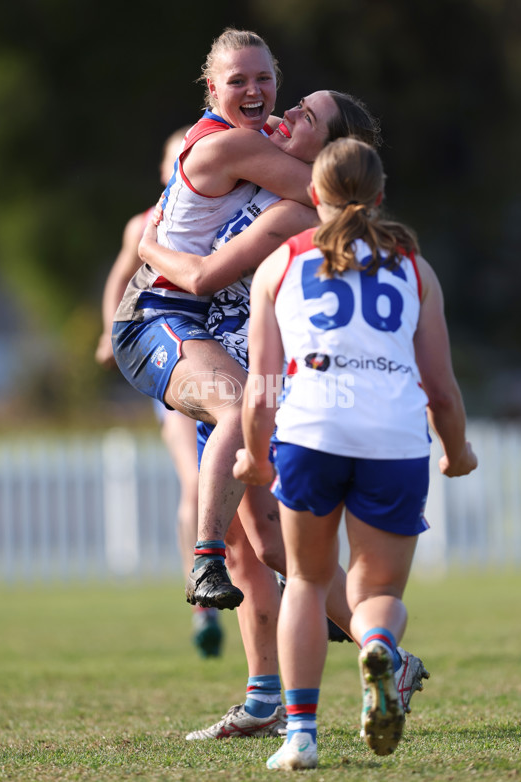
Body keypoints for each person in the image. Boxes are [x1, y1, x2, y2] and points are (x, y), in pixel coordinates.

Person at [139, 95, 429, 740]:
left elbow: (207, 274)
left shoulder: (296, 212)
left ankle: (331, 684)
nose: (288, 111)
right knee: (261, 549)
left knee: (279, 556)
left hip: (266, 382)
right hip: (244, 366)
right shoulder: (266, 178)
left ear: (325, 156)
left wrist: (149, 248)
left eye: (305, 113)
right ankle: (284, 690)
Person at [234, 137, 478, 769]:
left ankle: (300, 737)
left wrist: (257, 457)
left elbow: (261, 386)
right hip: (392, 440)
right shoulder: (414, 268)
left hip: (310, 433)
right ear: (380, 193)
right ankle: (376, 644)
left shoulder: (278, 266)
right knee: (376, 594)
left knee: (310, 584)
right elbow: (442, 390)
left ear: (312, 193)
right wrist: (457, 453)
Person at [113, 28, 321, 612]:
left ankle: (377, 646)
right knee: (239, 402)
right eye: (238, 81)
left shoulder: (260, 140)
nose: (255, 92)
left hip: (201, 322)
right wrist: (334, 158)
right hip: (155, 315)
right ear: (212, 89)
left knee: (271, 541)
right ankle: (204, 562)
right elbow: (331, 191)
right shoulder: (230, 146)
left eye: (265, 79)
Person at [95, 127, 223, 658]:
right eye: (176, 161)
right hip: (173, 362)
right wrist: (110, 331)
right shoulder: (144, 224)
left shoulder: (221, 216)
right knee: (194, 480)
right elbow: (120, 280)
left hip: (215, 353)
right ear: (167, 171)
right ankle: (203, 608)